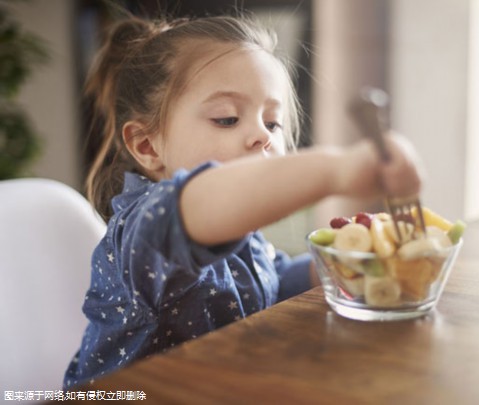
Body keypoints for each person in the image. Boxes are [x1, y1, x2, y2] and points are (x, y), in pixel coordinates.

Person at [64, 13, 423, 389]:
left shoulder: (239, 231)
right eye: (227, 119)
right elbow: (205, 200)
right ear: (146, 145)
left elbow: (270, 282)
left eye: (272, 123)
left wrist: (339, 264)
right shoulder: (146, 229)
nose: (261, 136)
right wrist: (339, 169)